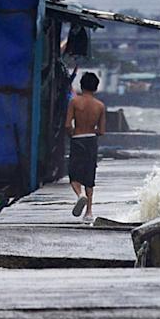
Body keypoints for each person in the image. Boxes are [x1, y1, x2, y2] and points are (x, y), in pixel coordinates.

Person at [65, 72, 105, 221]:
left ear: (81, 86)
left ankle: (79, 195)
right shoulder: (100, 106)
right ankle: (89, 212)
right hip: (91, 141)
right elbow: (101, 131)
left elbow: (68, 125)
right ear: (95, 88)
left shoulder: (75, 102)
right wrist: (92, 131)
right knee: (89, 176)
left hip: (78, 139)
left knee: (74, 174)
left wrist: (73, 134)